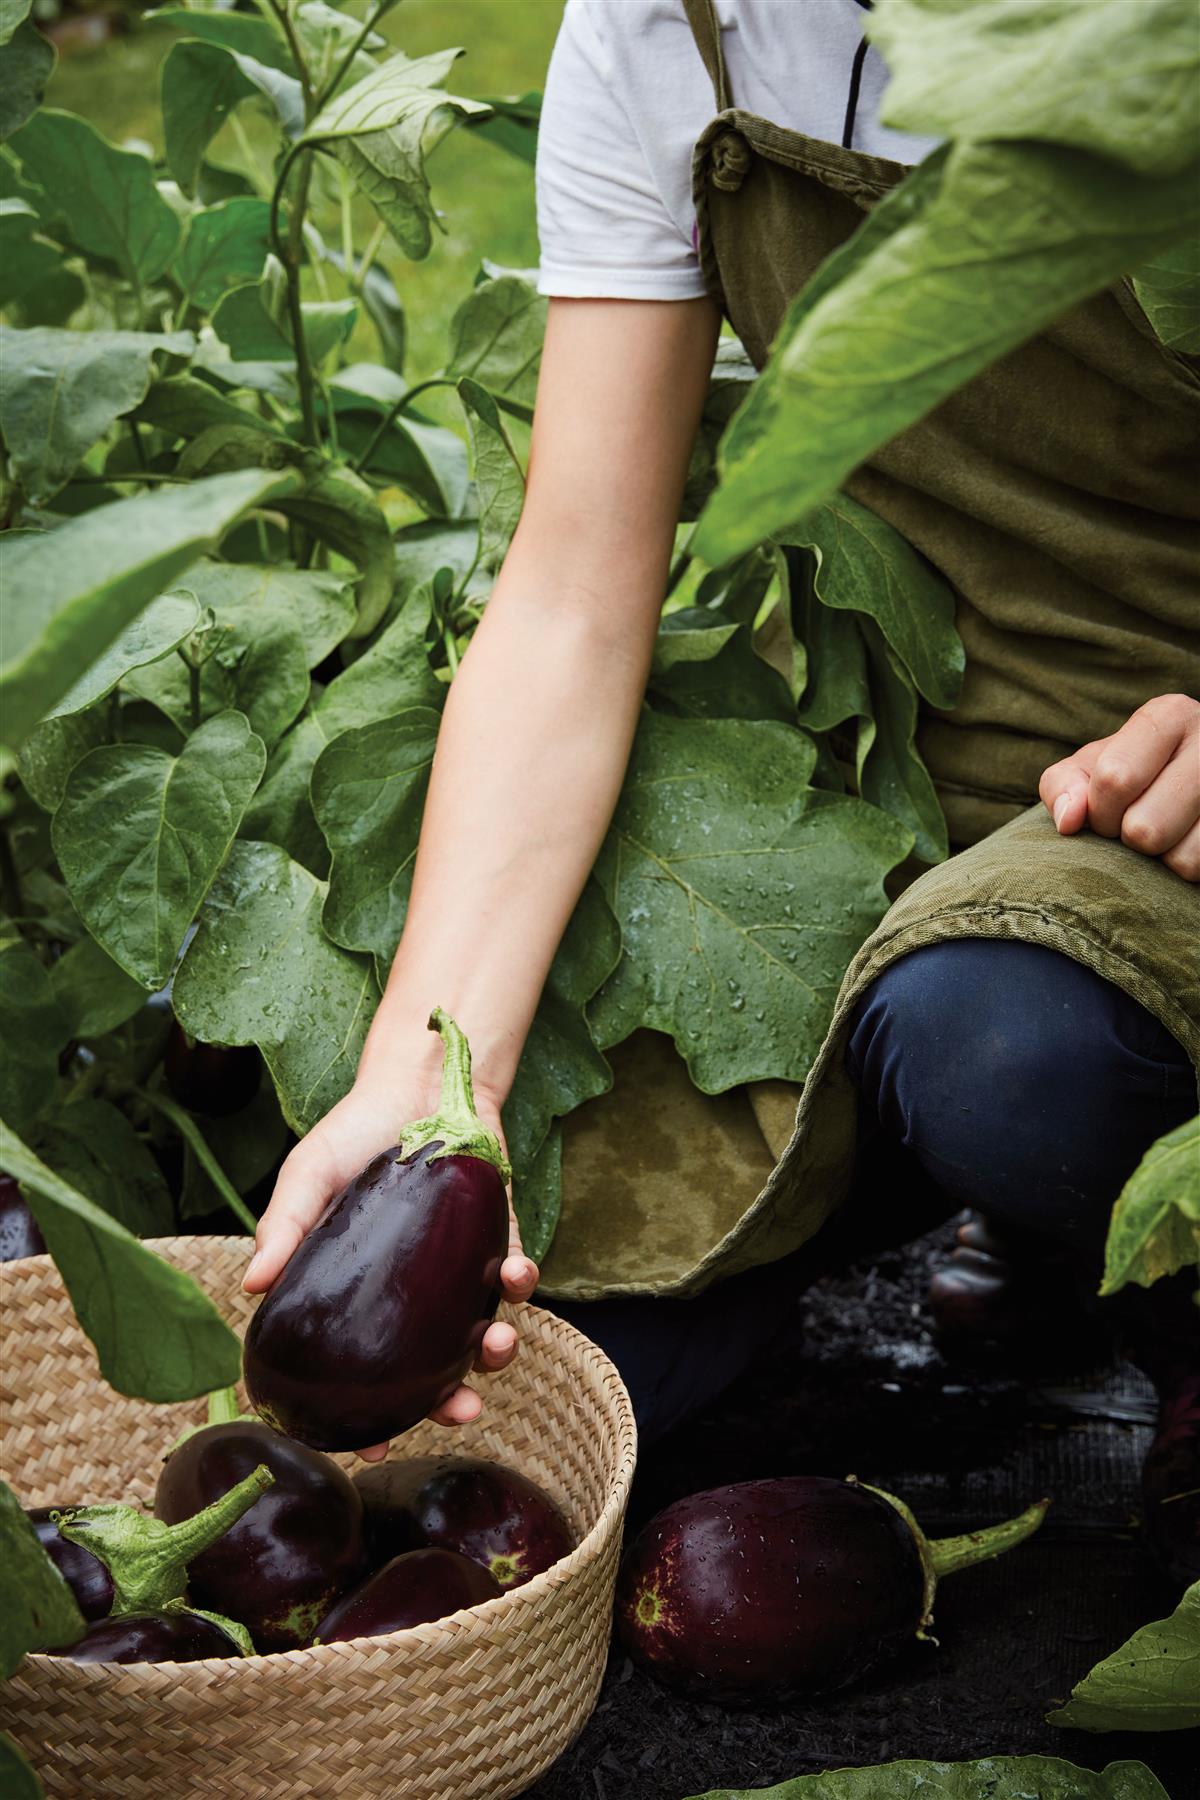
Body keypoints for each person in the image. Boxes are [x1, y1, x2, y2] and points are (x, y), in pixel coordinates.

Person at [245, 0, 1199, 1570]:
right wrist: (430, 1077)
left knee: (1008, 1058)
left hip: (1155, 796)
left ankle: (1140, 1267)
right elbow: (573, 591)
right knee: (601, 1361)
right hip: (910, 756)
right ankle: (1043, 1226)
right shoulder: (661, 30)